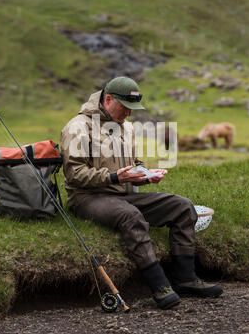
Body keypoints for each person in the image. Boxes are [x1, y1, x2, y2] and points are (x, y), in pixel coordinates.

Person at [61, 76, 223, 310]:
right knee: (131, 216)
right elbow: (74, 174)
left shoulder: (126, 126)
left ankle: (186, 279)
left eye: (132, 109)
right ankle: (160, 286)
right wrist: (115, 177)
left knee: (183, 206)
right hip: (88, 198)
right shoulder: (78, 127)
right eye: (125, 108)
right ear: (108, 99)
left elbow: (133, 162)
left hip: (123, 194)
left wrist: (145, 174)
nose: (129, 114)